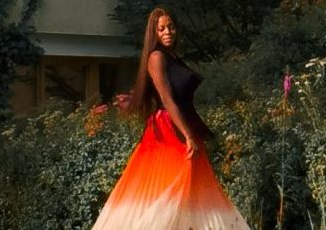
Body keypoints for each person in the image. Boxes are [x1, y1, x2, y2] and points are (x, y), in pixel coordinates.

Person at [91, 7, 250, 230]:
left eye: (171, 27)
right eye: (162, 28)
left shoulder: (172, 56)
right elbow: (167, 99)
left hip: (180, 124)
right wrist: (188, 135)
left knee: (189, 190)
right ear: (154, 32)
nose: (168, 32)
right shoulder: (156, 57)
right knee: (173, 188)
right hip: (169, 130)